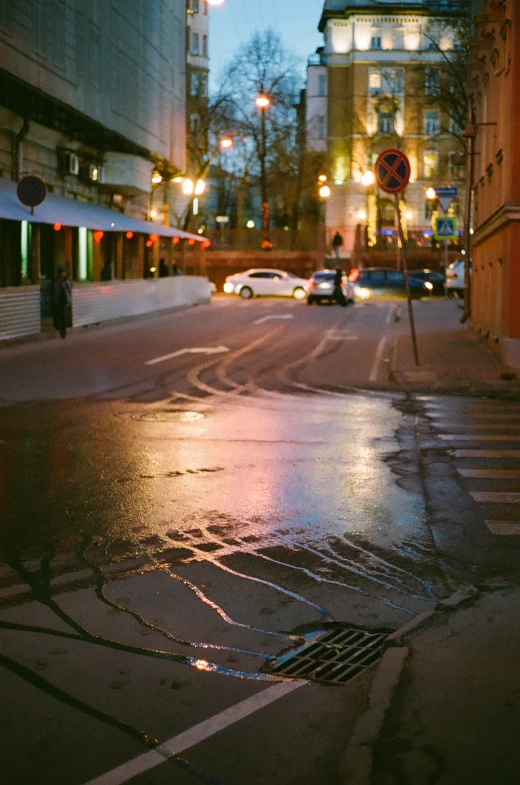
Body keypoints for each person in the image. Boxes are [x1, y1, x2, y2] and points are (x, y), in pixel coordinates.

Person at [49, 266, 72, 338]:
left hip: (64, 301)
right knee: (55, 316)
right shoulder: (54, 281)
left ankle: (63, 332)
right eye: (60, 273)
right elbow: (51, 291)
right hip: (56, 301)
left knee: (63, 317)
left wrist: (69, 301)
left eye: (63, 273)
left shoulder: (66, 281)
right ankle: (58, 328)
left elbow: (69, 291)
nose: (62, 274)